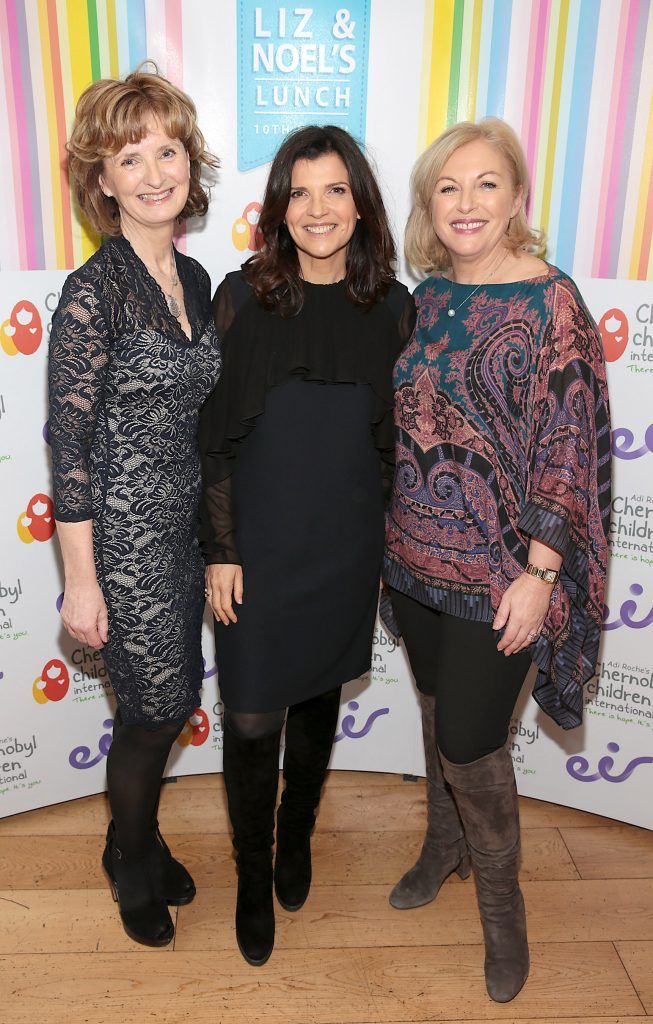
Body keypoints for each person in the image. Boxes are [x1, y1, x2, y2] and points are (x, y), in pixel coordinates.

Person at [383, 117, 611, 1002]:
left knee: (475, 739)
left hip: (502, 574)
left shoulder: (554, 302)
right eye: (448, 187)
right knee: (439, 717)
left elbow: (567, 443)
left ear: (516, 195)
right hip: (410, 559)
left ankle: (502, 911)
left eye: (485, 184)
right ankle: (443, 847)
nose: (466, 202)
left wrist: (540, 572)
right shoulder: (427, 296)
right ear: (429, 206)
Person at [199, 125, 415, 966]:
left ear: (360, 204)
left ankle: (296, 838)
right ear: (277, 206)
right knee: (253, 719)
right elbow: (211, 435)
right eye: (300, 192)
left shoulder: (394, 307)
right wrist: (220, 548)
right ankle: (255, 873)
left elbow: (400, 448)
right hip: (256, 549)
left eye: (335, 191)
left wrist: (390, 556)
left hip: (345, 544)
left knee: (321, 694)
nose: (317, 210)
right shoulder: (239, 297)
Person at [48, 68, 220, 947]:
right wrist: (81, 585)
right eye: (129, 156)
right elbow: (69, 452)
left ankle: (139, 834)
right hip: (120, 542)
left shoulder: (194, 277)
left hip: (186, 537)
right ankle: (129, 853)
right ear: (101, 180)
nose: (155, 171)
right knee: (153, 711)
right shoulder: (92, 293)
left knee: (173, 698)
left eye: (167, 149)